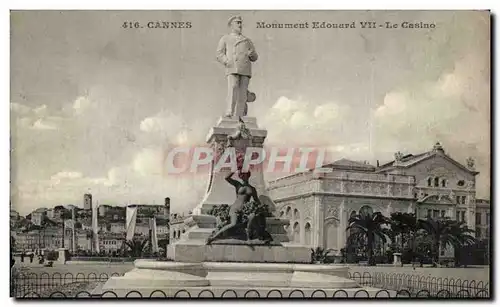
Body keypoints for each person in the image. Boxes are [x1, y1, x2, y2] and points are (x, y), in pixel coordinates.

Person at [216, 16, 258, 118]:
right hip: (232, 67)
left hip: (245, 69)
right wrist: (227, 61)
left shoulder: (247, 41)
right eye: (237, 23)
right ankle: (229, 110)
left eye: (240, 23)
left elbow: (255, 57)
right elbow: (219, 54)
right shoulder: (225, 38)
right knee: (233, 87)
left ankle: (240, 114)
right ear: (231, 25)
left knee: (243, 92)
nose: (240, 25)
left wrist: (251, 53)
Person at [206, 171, 261, 244]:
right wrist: (234, 170)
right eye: (241, 175)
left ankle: (248, 237)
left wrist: (260, 208)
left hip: (244, 211)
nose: (243, 176)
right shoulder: (238, 184)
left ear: (248, 176)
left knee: (252, 218)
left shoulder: (252, 189)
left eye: (244, 175)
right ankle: (213, 238)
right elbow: (226, 178)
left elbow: (257, 200)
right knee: (233, 224)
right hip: (235, 208)